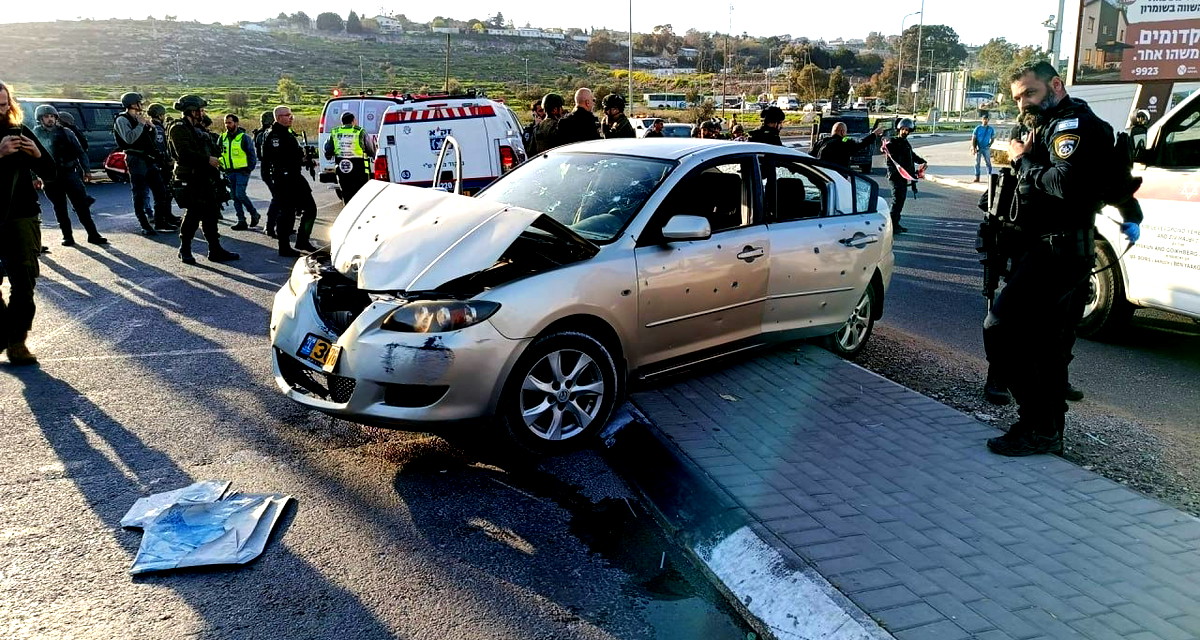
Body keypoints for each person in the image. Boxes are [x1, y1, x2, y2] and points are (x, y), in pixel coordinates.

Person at [983, 61, 1141, 457]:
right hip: (1051, 249)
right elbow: (1111, 180)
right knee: (1047, 348)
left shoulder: (1073, 126)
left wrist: (1023, 160)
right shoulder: (1053, 123)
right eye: (1017, 98)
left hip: (1057, 251)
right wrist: (1131, 213)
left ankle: (1038, 422)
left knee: (1000, 327)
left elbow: (1064, 183)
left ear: (1055, 85)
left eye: (1030, 93)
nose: (1023, 103)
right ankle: (1045, 430)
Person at [0, 81, 56, 365]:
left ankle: (17, 341)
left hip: (21, 215)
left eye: (4, 104)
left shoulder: (19, 131)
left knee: (24, 281)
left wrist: (37, 154)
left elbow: (50, 172)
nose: (2, 110)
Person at [166, 94, 240, 265]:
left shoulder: (199, 128)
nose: (203, 113)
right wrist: (207, 159)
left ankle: (215, 249)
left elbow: (213, 149)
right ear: (192, 111)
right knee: (193, 214)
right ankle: (185, 249)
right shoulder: (178, 128)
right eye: (200, 110)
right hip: (190, 178)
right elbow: (184, 153)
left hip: (206, 177)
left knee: (211, 214)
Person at [31, 105, 107, 246]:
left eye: (52, 116)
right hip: (50, 178)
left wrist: (87, 170)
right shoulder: (35, 135)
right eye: (46, 117)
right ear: (40, 119)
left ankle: (93, 234)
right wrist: (34, 177)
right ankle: (67, 236)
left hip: (69, 174)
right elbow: (31, 158)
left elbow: (80, 152)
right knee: (60, 208)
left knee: (81, 206)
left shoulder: (66, 132)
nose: (50, 119)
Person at [113, 91, 177, 234]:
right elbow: (129, 139)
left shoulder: (139, 118)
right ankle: (144, 225)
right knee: (140, 193)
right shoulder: (122, 120)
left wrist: (151, 128)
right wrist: (141, 125)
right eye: (139, 103)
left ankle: (160, 222)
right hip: (135, 159)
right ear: (132, 104)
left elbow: (151, 140)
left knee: (161, 191)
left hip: (148, 158)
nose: (141, 105)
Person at [262, 105, 318, 257]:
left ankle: (302, 240)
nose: (291, 117)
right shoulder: (274, 136)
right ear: (279, 118)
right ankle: (284, 246)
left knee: (310, 209)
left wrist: (306, 160)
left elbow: (292, 156)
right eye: (287, 115)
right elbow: (277, 160)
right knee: (287, 214)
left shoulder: (287, 133)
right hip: (284, 179)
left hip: (294, 176)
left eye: (291, 115)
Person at [882, 118, 925, 233]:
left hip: (903, 177)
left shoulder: (905, 143)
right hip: (896, 177)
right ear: (899, 129)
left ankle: (895, 223)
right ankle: (891, 226)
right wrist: (884, 146)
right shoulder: (894, 142)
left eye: (907, 130)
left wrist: (922, 161)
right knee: (897, 201)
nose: (905, 132)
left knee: (901, 201)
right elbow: (887, 148)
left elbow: (912, 155)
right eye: (903, 129)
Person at [217, 114, 260, 230]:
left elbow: (252, 155)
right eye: (225, 123)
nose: (227, 125)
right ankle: (241, 220)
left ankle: (254, 213)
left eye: (229, 123)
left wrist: (248, 169)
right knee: (234, 197)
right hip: (229, 171)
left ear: (236, 123)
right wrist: (221, 167)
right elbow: (218, 152)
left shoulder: (244, 137)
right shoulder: (222, 137)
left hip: (242, 171)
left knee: (240, 194)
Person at [323, 111, 376, 204]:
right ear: (353, 121)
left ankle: (348, 208)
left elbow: (327, 148)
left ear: (342, 122)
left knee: (345, 192)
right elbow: (370, 148)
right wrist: (373, 155)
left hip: (342, 168)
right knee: (361, 192)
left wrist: (329, 156)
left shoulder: (335, 132)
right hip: (359, 168)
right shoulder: (360, 131)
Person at [145, 103, 181, 227]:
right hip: (160, 166)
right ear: (160, 115)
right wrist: (168, 160)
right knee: (162, 194)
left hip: (156, 165)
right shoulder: (158, 129)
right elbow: (161, 149)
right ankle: (161, 220)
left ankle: (168, 216)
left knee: (166, 193)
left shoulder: (152, 126)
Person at [813, 121, 885, 169]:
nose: (846, 134)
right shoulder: (844, 143)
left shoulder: (821, 142)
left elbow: (811, 157)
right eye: (845, 132)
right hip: (838, 176)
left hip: (823, 175)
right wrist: (874, 134)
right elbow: (861, 144)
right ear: (842, 132)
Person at [253, 110, 280, 237]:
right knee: (278, 199)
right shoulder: (266, 134)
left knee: (279, 199)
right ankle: (270, 226)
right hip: (271, 170)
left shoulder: (260, 134)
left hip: (267, 170)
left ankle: (278, 225)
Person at [971, 114, 996, 183]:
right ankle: (977, 177)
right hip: (978, 148)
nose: (985, 120)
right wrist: (973, 147)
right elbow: (973, 138)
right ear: (982, 120)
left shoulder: (990, 129)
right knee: (977, 163)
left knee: (988, 163)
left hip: (986, 148)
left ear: (988, 120)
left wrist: (990, 144)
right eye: (984, 119)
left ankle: (989, 177)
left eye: (986, 119)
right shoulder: (978, 128)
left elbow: (993, 138)